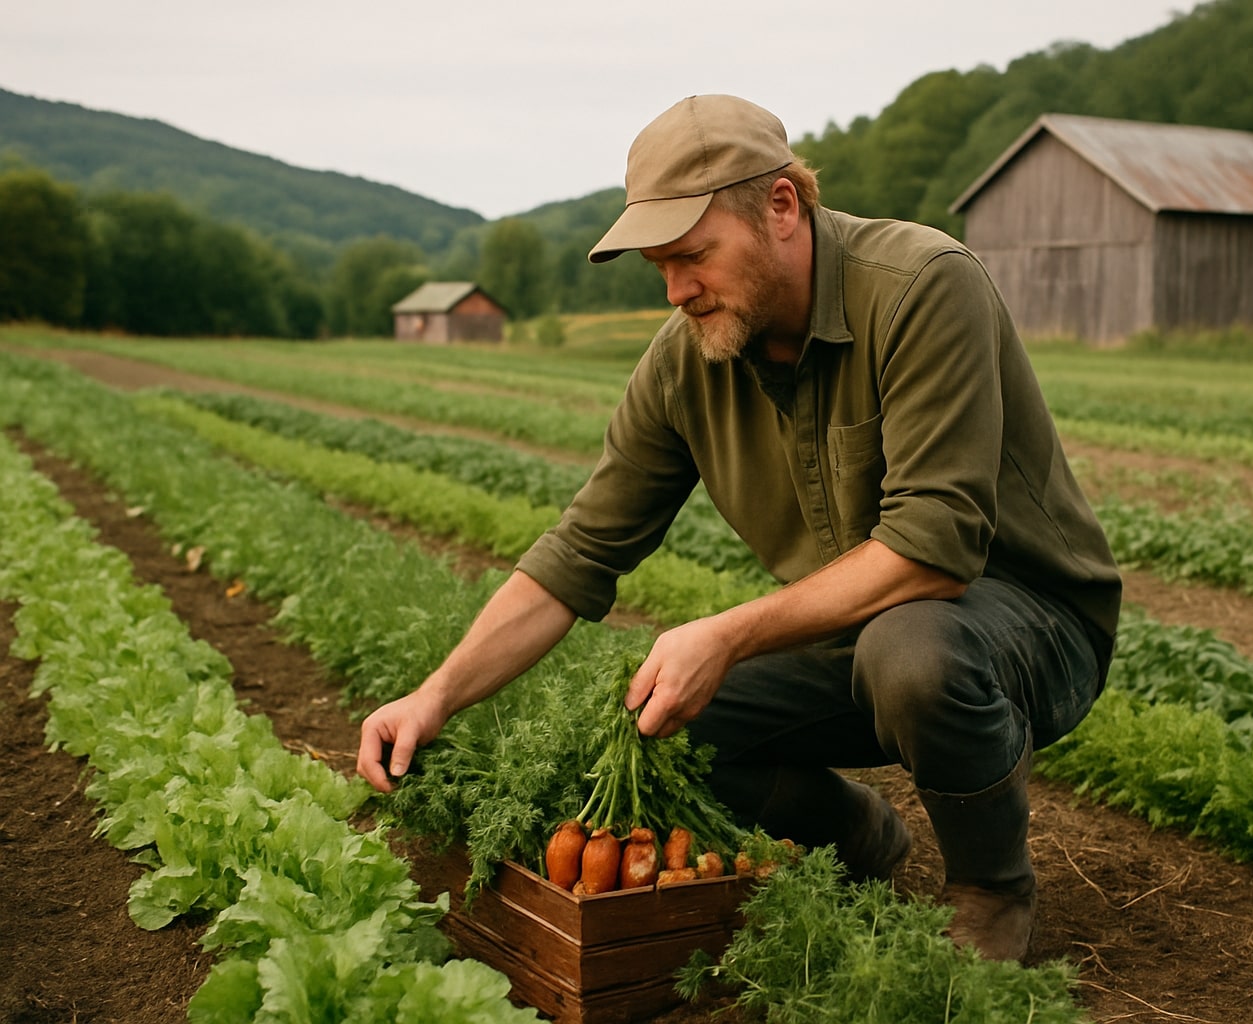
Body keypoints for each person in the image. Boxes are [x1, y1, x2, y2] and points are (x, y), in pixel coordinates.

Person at [357, 93, 1121, 962]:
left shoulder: (920, 285)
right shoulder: (685, 361)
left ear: (781, 207)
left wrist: (725, 633)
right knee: (656, 718)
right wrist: (435, 696)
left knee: (911, 649)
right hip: (860, 630)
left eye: (693, 256)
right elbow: (579, 552)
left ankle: (991, 889)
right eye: (660, 267)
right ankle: (857, 838)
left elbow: (935, 550)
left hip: (1029, 626)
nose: (677, 290)